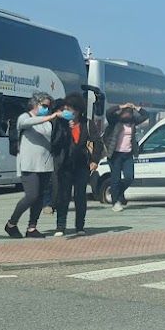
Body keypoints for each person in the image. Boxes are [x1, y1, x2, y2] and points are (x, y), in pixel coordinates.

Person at [5, 91, 58, 238]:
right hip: (29, 164)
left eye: (49, 107)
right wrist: (50, 116)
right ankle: (11, 224)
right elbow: (24, 124)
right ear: (35, 104)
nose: (47, 109)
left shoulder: (47, 122)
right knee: (31, 195)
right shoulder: (25, 117)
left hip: (45, 164)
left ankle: (32, 227)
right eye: (44, 105)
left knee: (40, 197)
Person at [51, 94, 99, 236]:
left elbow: (97, 142)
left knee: (80, 196)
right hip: (64, 164)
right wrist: (66, 129)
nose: (68, 111)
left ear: (78, 110)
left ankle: (80, 226)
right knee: (63, 196)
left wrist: (94, 160)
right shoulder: (60, 123)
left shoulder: (87, 123)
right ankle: (60, 226)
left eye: (70, 109)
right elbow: (55, 142)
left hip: (81, 164)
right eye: (66, 108)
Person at [101, 103, 148, 212]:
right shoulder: (115, 121)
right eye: (125, 113)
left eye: (129, 113)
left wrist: (136, 107)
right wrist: (121, 106)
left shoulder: (132, 122)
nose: (127, 115)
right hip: (115, 154)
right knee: (115, 179)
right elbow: (108, 112)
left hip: (128, 154)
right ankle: (115, 201)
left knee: (129, 177)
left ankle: (118, 193)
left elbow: (146, 115)